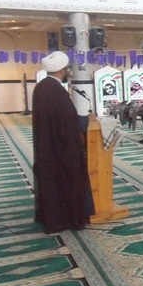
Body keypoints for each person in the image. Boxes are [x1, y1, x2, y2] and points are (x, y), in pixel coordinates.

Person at [32, 51, 95, 234]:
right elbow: (68, 122)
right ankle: (67, 218)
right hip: (61, 149)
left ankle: (52, 217)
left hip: (47, 146)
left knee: (52, 183)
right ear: (62, 70)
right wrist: (86, 120)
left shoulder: (41, 87)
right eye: (67, 69)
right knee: (68, 181)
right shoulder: (56, 91)